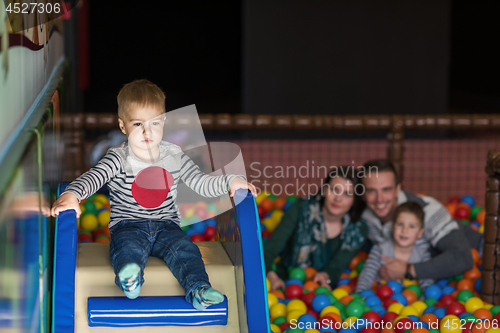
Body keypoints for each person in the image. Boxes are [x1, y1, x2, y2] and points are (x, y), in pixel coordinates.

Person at [50, 79, 257, 309]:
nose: (147, 131)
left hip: (167, 225)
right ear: (122, 126)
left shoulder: (174, 155)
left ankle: (198, 290)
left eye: (154, 123)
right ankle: (130, 280)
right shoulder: (119, 157)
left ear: (164, 122)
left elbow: (200, 182)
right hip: (128, 225)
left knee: (187, 251)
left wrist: (230, 181)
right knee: (127, 251)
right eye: (138, 124)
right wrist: (73, 194)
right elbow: (94, 177)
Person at [360, 159, 482, 281]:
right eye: (371, 190)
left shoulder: (428, 211)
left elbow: (463, 257)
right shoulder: (364, 216)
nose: (379, 199)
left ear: (397, 189)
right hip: (433, 280)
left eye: (386, 189)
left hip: (482, 259)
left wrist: (408, 270)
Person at [264, 166, 368, 291]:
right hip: (285, 282)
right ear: (324, 190)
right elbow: (269, 250)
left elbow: (336, 267)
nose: (338, 199)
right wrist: (271, 276)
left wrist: (325, 277)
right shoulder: (300, 209)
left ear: (354, 200)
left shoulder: (357, 230)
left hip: (322, 291)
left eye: (347, 194)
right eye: (334, 189)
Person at [355, 202, 433, 292]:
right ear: (393, 227)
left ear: (420, 233)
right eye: (400, 224)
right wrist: (360, 293)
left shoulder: (422, 254)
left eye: (411, 226)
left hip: (412, 300)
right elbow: (367, 274)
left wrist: (425, 298)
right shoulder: (380, 249)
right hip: (380, 299)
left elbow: (427, 281)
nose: (404, 230)